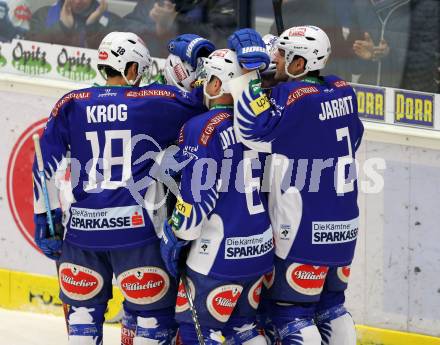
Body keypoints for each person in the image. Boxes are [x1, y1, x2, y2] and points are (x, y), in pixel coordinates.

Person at [32, 31, 215, 345]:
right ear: (131, 69)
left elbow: (42, 168)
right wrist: (191, 68)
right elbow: (208, 99)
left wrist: (44, 220)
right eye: (139, 72)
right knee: (152, 322)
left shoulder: (70, 104)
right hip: (137, 235)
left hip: (81, 236)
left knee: (81, 322)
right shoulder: (152, 102)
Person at [227, 27, 364, 344]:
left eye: (281, 55)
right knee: (332, 307)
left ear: (300, 64)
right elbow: (354, 137)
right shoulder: (342, 89)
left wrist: (249, 73)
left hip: (304, 226)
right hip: (344, 225)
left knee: (292, 315)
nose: (274, 58)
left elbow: (252, 129)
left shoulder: (292, 99)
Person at [160, 48, 273, 344]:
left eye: (207, 79)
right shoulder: (260, 126)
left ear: (216, 85)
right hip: (259, 247)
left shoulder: (201, 127)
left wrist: (176, 237)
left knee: (195, 332)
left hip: (218, 255)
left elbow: (198, 197)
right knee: (244, 329)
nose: (202, 87)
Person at [27, 0, 121, 49]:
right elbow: (29, 52)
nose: (77, 1)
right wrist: (62, 27)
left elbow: (115, 61)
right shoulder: (43, 16)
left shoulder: (112, 22)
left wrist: (93, 27)